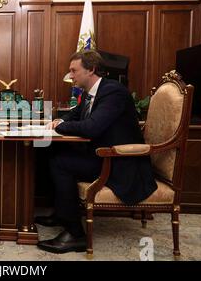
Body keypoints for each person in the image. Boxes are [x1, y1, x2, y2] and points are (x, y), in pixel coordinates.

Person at [37, 50, 157, 254]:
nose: (71, 76)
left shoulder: (113, 92)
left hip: (119, 162)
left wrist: (59, 127)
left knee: (60, 162)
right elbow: (76, 114)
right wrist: (61, 121)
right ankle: (61, 213)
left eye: (74, 71)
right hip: (102, 154)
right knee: (49, 152)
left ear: (91, 69)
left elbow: (92, 127)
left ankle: (75, 234)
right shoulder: (91, 92)